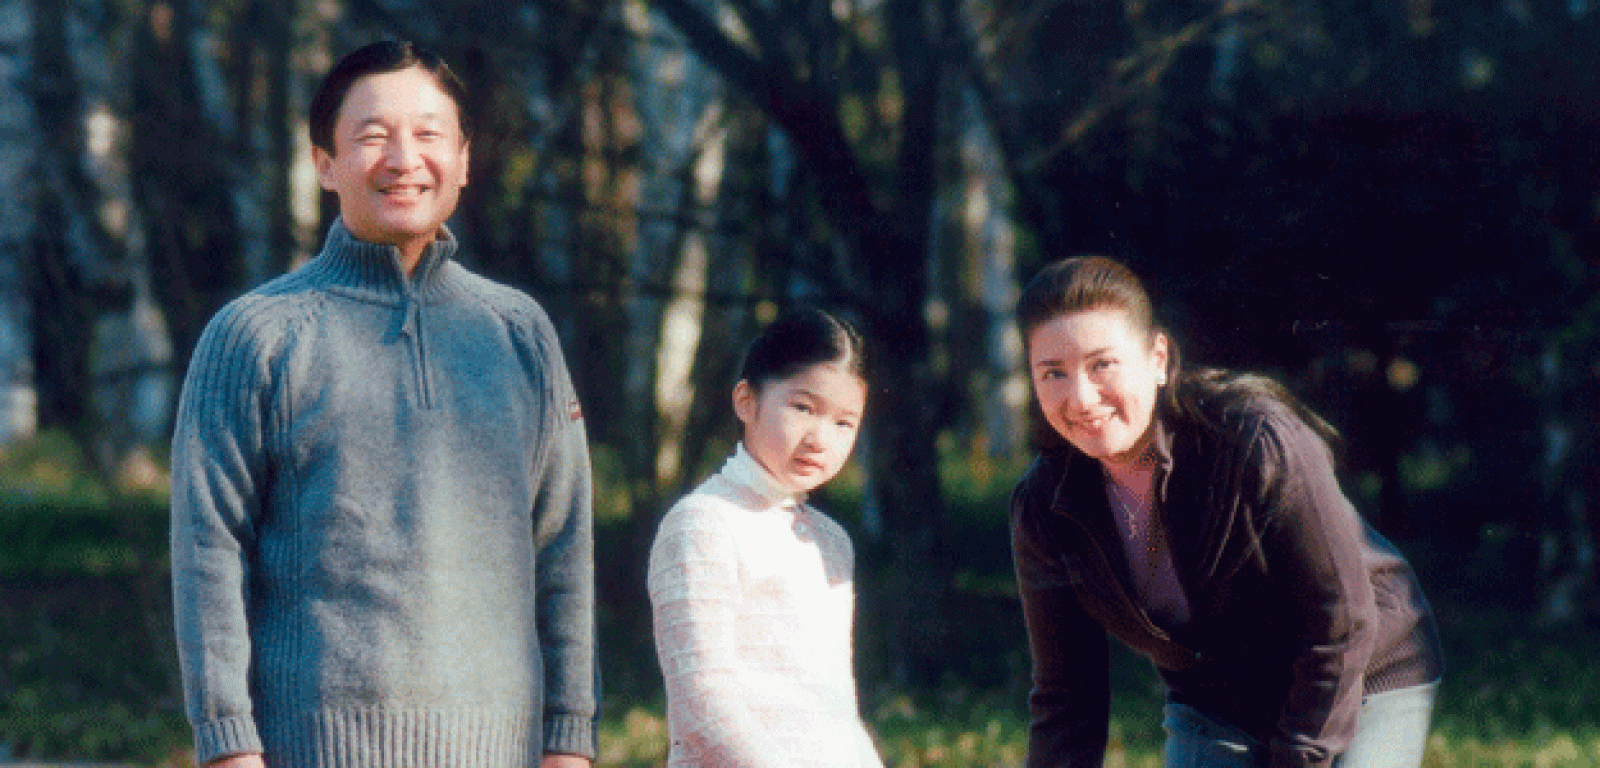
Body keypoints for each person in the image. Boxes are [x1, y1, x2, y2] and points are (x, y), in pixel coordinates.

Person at [169, 40, 599, 768]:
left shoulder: (519, 332)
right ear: (324, 163)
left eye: (430, 134)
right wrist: (227, 746)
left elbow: (563, 546)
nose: (404, 159)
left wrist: (570, 739)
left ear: (464, 159)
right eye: (372, 136)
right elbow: (207, 551)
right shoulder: (254, 337)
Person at [1009, 256, 1443, 768]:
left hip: (1364, 671)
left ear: (1157, 358)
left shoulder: (1256, 441)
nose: (1080, 397)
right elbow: (1068, 695)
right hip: (1219, 703)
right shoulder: (1044, 505)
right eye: (1053, 372)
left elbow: (1341, 623)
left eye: (1102, 364)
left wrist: (1296, 758)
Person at [647, 308, 884, 767]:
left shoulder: (831, 541)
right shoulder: (702, 523)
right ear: (746, 400)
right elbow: (704, 707)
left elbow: (837, 707)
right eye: (803, 407)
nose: (820, 438)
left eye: (844, 422)